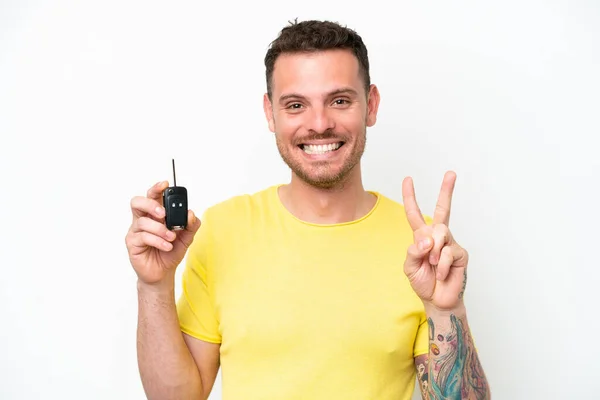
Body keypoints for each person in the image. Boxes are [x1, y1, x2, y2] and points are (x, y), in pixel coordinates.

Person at [125, 19, 491, 400]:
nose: (319, 124)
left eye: (340, 100)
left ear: (372, 105)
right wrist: (153, 285)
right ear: (270, 113)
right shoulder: (220, 230)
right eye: (296, 105)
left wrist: (446, 310)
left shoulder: (422, 247)